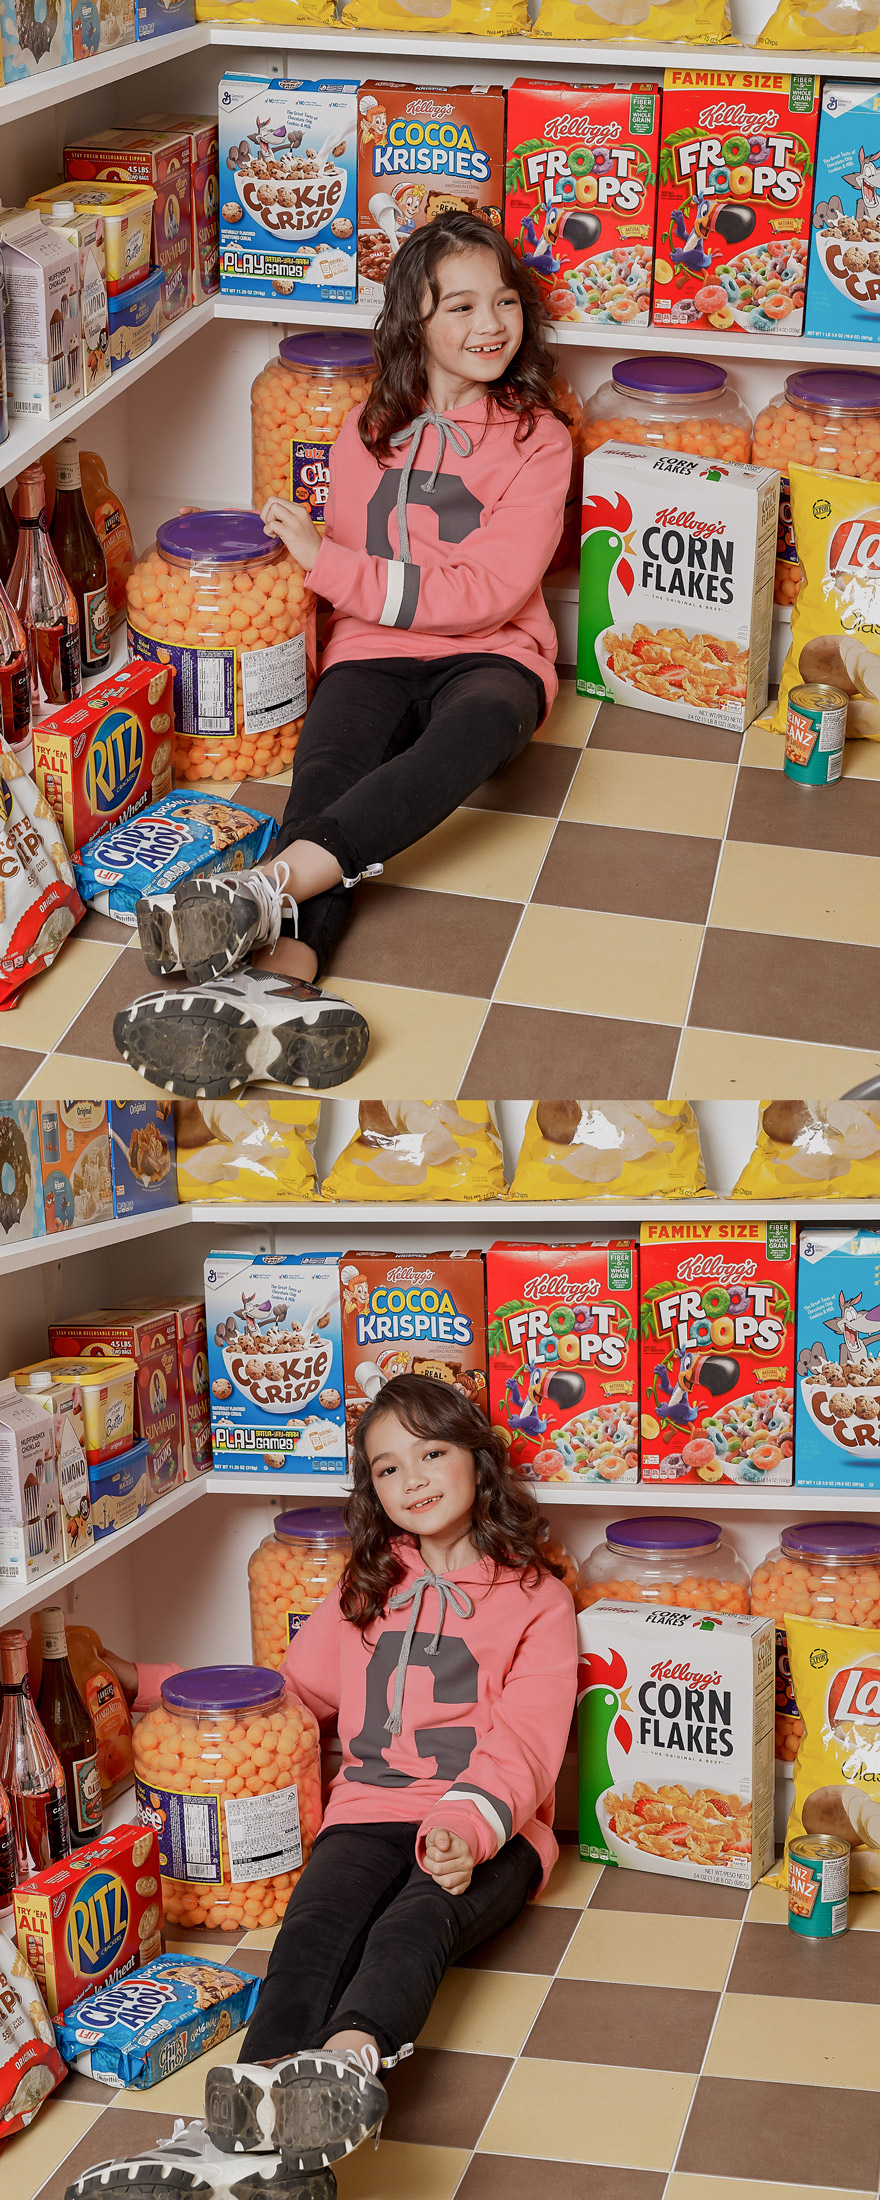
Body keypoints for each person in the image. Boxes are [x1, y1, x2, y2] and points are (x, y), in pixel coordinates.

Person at [74, 1375, 578, 2200]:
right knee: (312, 1930)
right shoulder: (363, 1589)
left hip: (492, 1830)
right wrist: (150, 1683)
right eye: (387, 1467)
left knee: (413, 1924)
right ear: (372, 1491)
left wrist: (466, 1827)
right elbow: (291, 1698)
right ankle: (239, 2135)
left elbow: (527, 1739)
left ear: (479, 1459)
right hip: (368, 1811)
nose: (412, 1478)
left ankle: (342, 2071)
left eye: (432, 1453)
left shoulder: (538, 1600)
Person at [114, 214, 573, 1098]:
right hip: (370, 646)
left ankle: (264, 888)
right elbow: (351, 574)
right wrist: (306, 563)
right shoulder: (367, 428)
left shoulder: (538, 439)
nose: (492, 325)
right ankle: (280, 982)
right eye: (462, 306)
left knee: (474, 732)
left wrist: (327, 563)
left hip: (493, 652)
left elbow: (489, 590)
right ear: (413, 322)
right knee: (325, 781)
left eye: (506, 302)